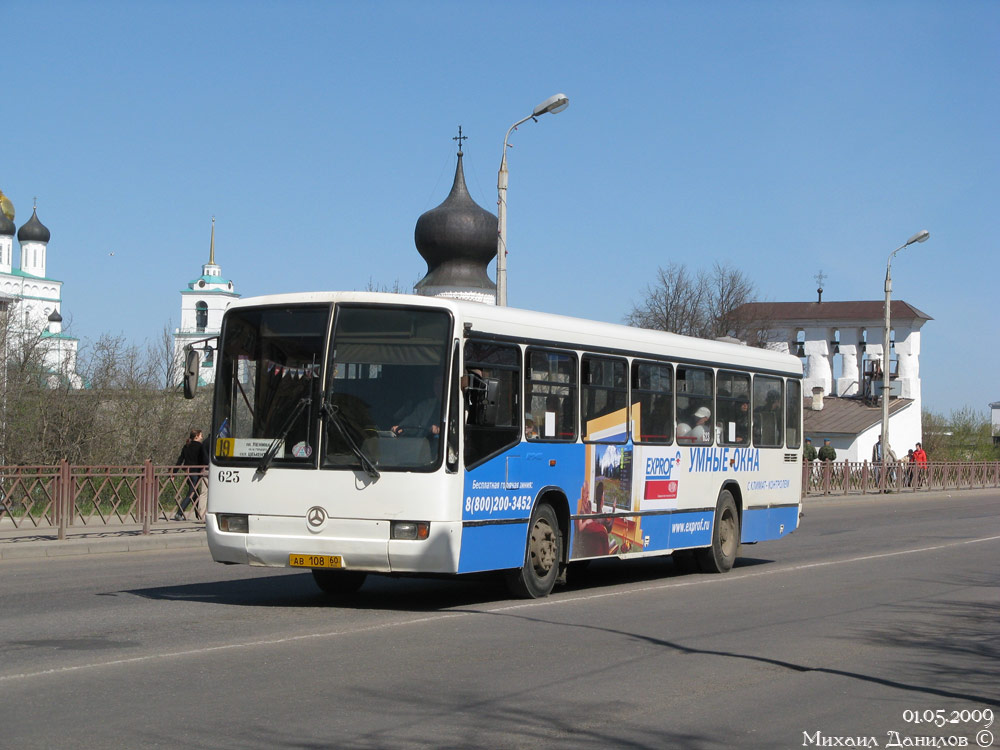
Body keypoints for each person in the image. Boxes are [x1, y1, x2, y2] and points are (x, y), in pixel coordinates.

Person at [174, 429, 209, 521]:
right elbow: (203, 460)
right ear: (196, 436)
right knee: (192, 493)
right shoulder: (200, 447)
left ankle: (199, 515)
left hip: (187, 472)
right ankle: (179, 513)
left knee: (195, 494)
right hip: (195, 473)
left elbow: (180, 460)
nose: (202, 437)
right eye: (201, 435)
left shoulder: (186, 446)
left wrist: (174, 472)